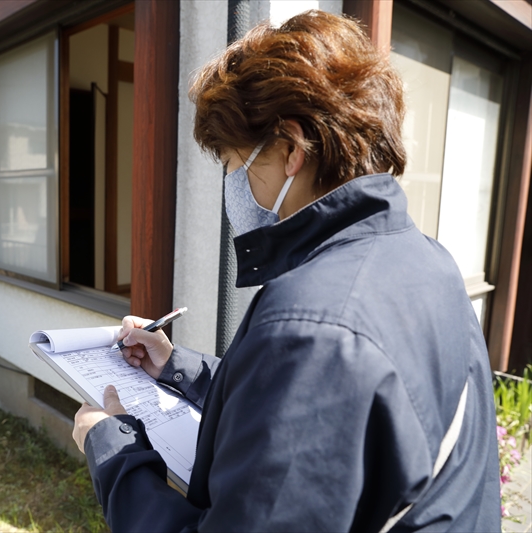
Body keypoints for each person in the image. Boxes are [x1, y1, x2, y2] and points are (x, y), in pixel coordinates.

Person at [72, 10, 500, 532]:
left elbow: (309, 375)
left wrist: (113, 451)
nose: (229, 184)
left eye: (231, 163)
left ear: (292, 150)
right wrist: (175, 367)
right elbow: (301, 411)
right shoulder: (425, 261)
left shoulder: (312, 327)